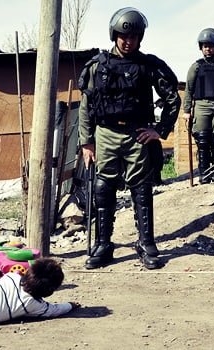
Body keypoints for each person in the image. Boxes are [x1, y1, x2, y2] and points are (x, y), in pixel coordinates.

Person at [78, 7, 181, 270]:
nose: (128, 41)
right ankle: (104, 244)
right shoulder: (97, 66)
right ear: (114, 35)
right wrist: (86, 142)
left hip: (138, 134)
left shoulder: (149, 65)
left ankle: (146, 243)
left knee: (142, 189)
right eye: (123, 36)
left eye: (134, 36)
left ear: (140, 38)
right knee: (103, 188)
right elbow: (86, 105)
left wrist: (160, 130)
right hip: (106, 133)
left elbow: (172, 98)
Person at [182, 28, 214, 183]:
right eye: (204, 46)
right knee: (202, 140)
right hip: (201, 106)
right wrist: (186, 111)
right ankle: (204, 174)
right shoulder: (196, 66)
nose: (207, 49)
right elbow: (188, 89)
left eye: (211, 46)